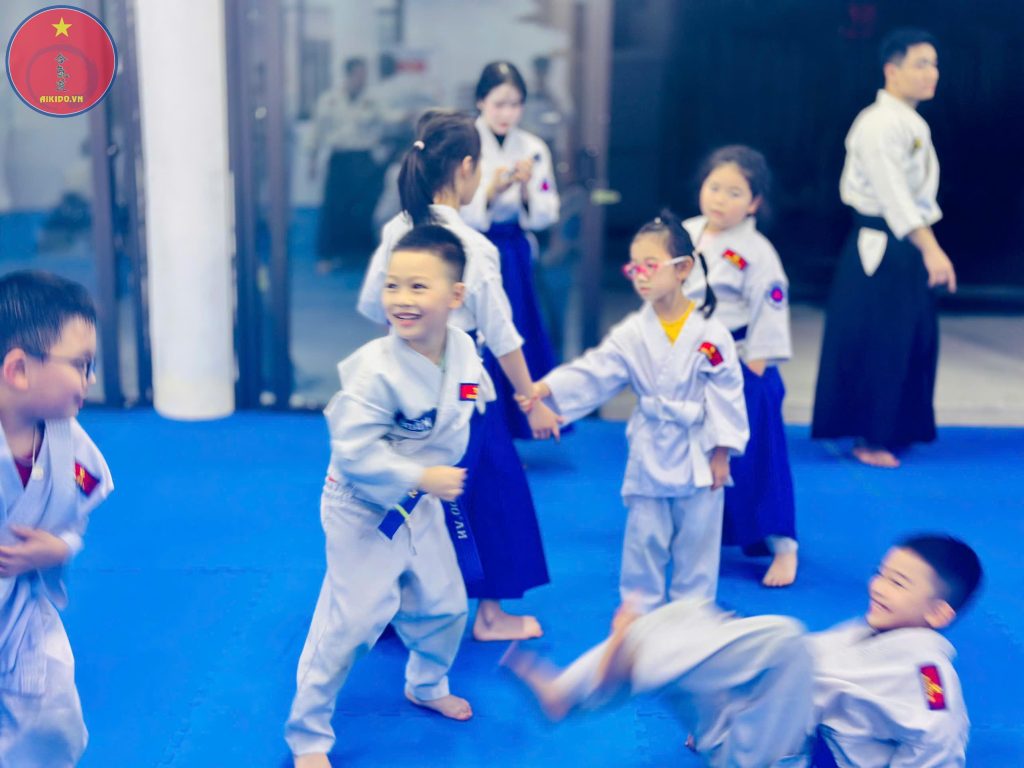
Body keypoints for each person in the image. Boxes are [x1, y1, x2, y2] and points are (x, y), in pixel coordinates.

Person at [506, 533, 981, 767]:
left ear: (938, 613)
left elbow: (938, 747)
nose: (878, 587)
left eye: (898, 583)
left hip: (792, 756)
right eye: (881, 573)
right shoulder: (867, 633)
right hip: (752, 732)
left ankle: (632, 656)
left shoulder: (929, 679)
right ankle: (566, 692)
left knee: (785, 638)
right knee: (693, 614)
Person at [286, 226, 490, 767]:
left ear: (455, 296)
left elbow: (465, 405)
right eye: (393, 285)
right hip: (360, 505)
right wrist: (423, 475)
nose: (401, 299)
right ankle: (308, 735)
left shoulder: (463, 351)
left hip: (421, 503)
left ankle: (426, 685)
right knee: (352, 623)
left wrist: (432, 476)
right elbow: (353, 452)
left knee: (446, 606)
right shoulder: (374, 371)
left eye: (418, 286)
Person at [358, 110, 561, 641]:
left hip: (401, 384)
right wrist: (532, 400)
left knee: (405, 494)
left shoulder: (397, 231)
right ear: (466, 167)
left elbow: (372, 305)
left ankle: (389, 607)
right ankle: (491, 615)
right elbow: (504, 335)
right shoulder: (472, 246)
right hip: (464, 389)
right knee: (495, 494)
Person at [521, 211, 748, 613]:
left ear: (683, 269)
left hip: (698, 449)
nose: (640, 276)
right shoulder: (632, 333)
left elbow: (726, 393)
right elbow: (596, 370)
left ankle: (693, 613)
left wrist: (722, 452)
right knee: (645, 537)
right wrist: (547, 389)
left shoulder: (712, 336)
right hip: (651, 447)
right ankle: (638, 612)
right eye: (634, 268)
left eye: (650, 266)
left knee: (698, 538)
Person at [812, 29, 955, 469]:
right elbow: (894, 197)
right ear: (892, 70)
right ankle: (870, 437)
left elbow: (917, 197)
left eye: (934, 64)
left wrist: (926, 244)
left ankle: (897, 428)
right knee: (880, 342)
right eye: (921, 64)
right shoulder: (877, 123)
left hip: (905, 242)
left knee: (910, 338)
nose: (932, 73)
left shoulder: (909, 121)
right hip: (880, 246)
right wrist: (931, 248)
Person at [0, 271, 114, 767]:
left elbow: (74, 520)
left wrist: (59, 548)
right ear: (19, 370)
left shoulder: (71, 446)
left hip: (23, 617)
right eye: (81, 365)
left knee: (54, 725)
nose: (91, 379)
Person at [683, 146, 799, 588]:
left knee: (756, 458)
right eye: (714, 187)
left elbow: (771, 308)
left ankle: (784, 546)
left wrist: (755, 369)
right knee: (695, 454)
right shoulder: (685, 234)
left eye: (735, 193)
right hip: (691, 363)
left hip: (743, 364)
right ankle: (704, 535)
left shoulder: (758, 251)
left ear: (754, 203)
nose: (720, 199)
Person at [461, 61, 561, 439]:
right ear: (480, 102)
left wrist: (523, 189)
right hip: (473, 247)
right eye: (499, 104)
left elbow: (546, 212)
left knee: (513, 333)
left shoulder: (532, 148)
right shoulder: (465, 143)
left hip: (513, 253)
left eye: (515, 104)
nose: (507, 113)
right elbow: (455, 203)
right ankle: (476, 424)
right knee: (477, 334)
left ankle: (515, 426)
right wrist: (491, 191)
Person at [307, 57, 385, 273]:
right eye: (359, 74)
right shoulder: (329, 100)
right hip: (340, 159)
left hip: (363, 158)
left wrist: (408, 116)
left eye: (365, 75)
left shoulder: (372, 100)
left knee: (363, 208)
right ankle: (326, 256)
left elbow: (388, 119)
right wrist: (312, 160)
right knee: (334, 206)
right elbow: (316, 131)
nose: (363, 79)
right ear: (349, 75)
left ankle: (358, 255)